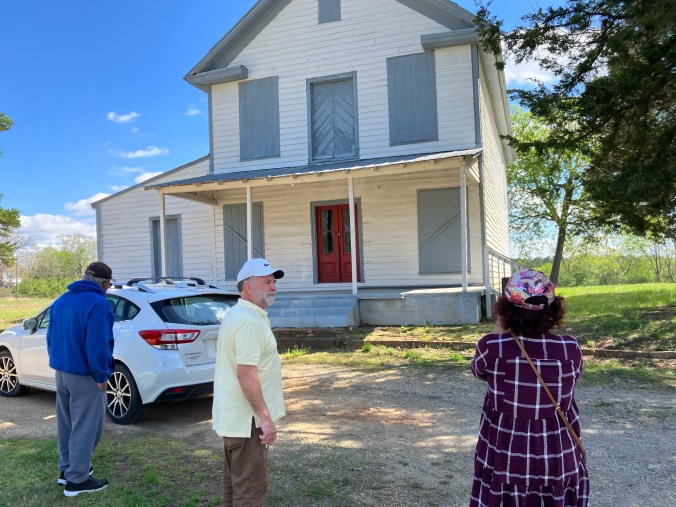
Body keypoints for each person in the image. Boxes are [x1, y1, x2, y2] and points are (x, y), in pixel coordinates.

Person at [469, 269, 589, 507]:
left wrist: (501, 329)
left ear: (506, 309)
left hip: (506, 451)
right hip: (556, 452)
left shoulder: (492, 346)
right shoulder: (569, 348)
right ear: (553, 309)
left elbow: (478, 371)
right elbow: (573, 378)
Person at [212, 258, 286, 506]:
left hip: (236, 420)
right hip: (248, 423)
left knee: (235, 487)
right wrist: (265, 418)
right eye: (266, 282)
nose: (273, 287)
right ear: (247, 286)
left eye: (273, 282)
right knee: (250, 491)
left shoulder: (239, 314)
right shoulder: (249, 321)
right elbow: (245, 374)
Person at [46, 261, 115, 497]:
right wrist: (101, 374)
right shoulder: (98, 304)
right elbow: (97, 344)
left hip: (62, 372)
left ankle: (67, 470)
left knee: (66, 424)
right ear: (104, 284)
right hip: (86, 375)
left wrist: (58, 362)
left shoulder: (61, 300)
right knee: (88, 428)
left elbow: (50, 337)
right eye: (109, 284)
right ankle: (77, 480)